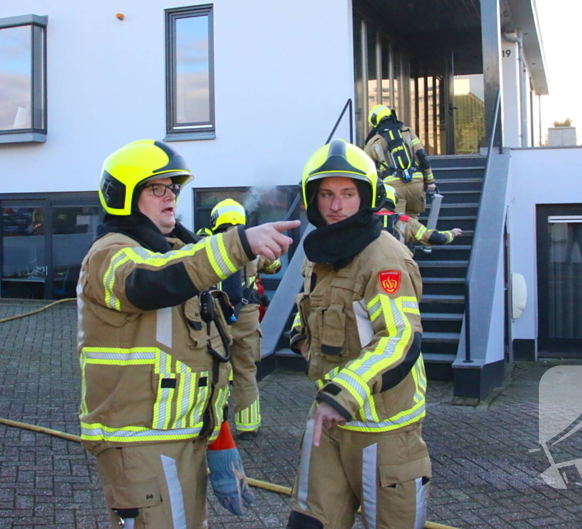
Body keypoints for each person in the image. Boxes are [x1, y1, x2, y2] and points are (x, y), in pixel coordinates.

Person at [77, 139, 298, 528]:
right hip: (139, 443)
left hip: (185, 438)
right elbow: (150, 283)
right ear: (124, 195)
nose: (170, 196)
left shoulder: (176, 251)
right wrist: (239, 243)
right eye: (156, 188)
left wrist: (220, 439)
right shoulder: (109, 254)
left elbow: (206, 358)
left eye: (173, 188)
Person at [288, 140, 431, 529]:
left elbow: (400, 339)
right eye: (327, 194)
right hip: (329, 422)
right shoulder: (319, 253)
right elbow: (313, 309)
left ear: (364, 197)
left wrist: (342, 394)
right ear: (313, 199)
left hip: (383, 430)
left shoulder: (384, 258)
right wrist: (301, 338)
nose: (337, 206)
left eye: (348, 194)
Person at [209, 198, 282, 440]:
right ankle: (248, 427)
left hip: (215, 318)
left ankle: (216, 426)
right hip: (247, 317)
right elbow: (274, 265)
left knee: (216, 373)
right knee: (246, 371)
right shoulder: (251, 248)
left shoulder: (208, 245)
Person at [363, 104, 436, 219]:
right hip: (415, 182)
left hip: (393, 187)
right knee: (414, 223)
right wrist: (430, 181)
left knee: (397, 222)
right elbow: (421, 155)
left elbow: (367, 169)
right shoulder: (408, 131)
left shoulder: (372, 142)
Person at [377, 184, 463, 249]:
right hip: (398, 267)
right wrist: (452, 233)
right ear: (395, 200)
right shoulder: (406, 221)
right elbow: (434, 238)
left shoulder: (365, 220)